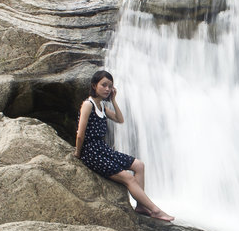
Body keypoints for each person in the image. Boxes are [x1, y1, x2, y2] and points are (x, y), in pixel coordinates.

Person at [75, 69, 174, 221]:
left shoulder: (101, 107)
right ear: (94, 86)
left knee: (139, 165)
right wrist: (78, 154)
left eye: (110, 86)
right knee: (128, 178)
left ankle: (141, 206)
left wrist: (113, 100)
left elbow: (120, 119)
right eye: (104, 85)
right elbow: (80, 134)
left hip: (102, 149)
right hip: (91, 152)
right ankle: (155, 210)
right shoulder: (88, 105)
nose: (107, 89)